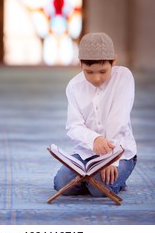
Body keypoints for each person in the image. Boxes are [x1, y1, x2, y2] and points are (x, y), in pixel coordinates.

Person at [53, 32, 137, 197]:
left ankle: (106, 179)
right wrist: (94, 139)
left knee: (98, 188)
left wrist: (111, 159)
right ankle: (92, 179)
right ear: (81, 64)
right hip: (86, 154)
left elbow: (118, 121)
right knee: (61, 184)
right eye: (89, 72)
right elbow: (74, 126)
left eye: (103, 71)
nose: (96, 78)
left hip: (120, 153)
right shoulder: (74, 86)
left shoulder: (123, 77)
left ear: (113, 61)